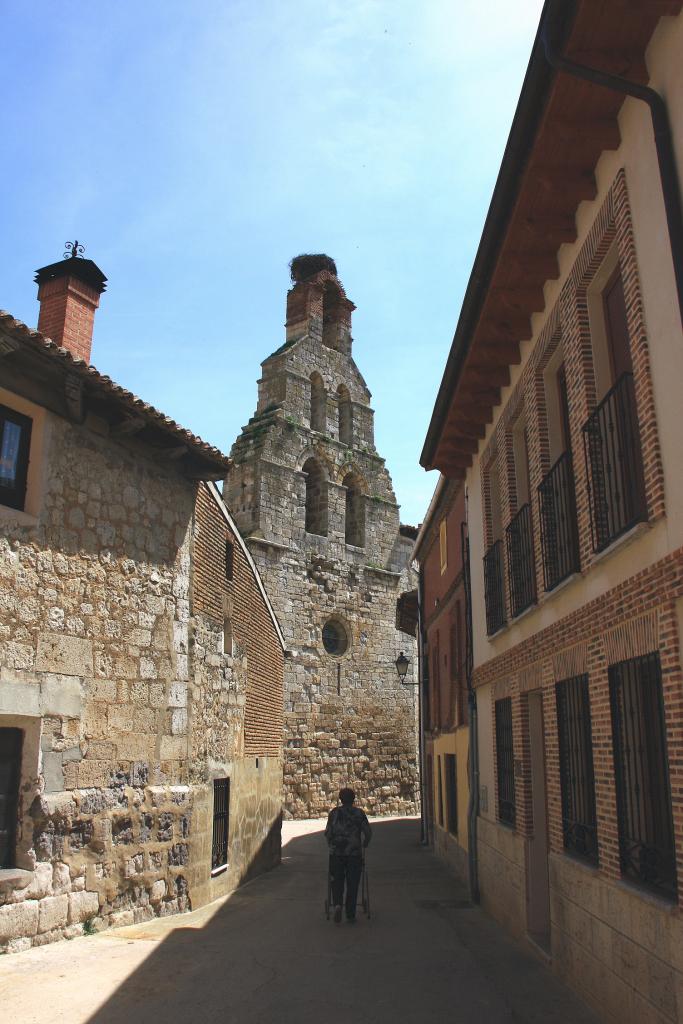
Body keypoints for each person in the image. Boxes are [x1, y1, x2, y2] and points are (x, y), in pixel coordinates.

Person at [325, 787, 371, 924]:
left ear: (340, 799)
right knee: (353, 882)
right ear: (353, 799)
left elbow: (328, 833)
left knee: (336, 880)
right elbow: (368, 832)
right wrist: (365, 843)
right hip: (354, 853)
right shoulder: (359, 813)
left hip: (337, 852)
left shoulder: (334, 813)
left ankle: (337, 904)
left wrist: (331, 844)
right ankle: (350, 914)